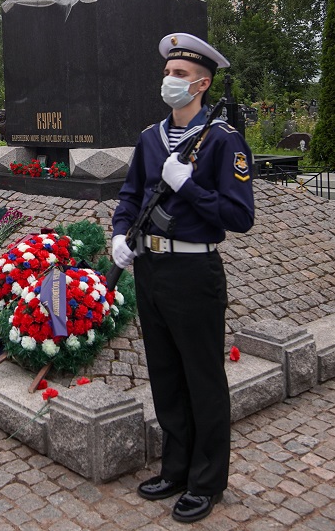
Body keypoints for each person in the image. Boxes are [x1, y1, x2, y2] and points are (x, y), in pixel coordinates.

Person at [111, 33, 255, 524]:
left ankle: (207, 480)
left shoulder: (222, 140)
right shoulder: (151, 138)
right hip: (152, 268)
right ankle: (176, 467)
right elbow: (132, 195)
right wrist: (119, 233)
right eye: (167, 72)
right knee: (166, 374)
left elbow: (240, 215)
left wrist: (188, 186)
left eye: (178, 74)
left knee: (203, 379)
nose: (168, 80)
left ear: (202, 83)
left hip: (194, 269)